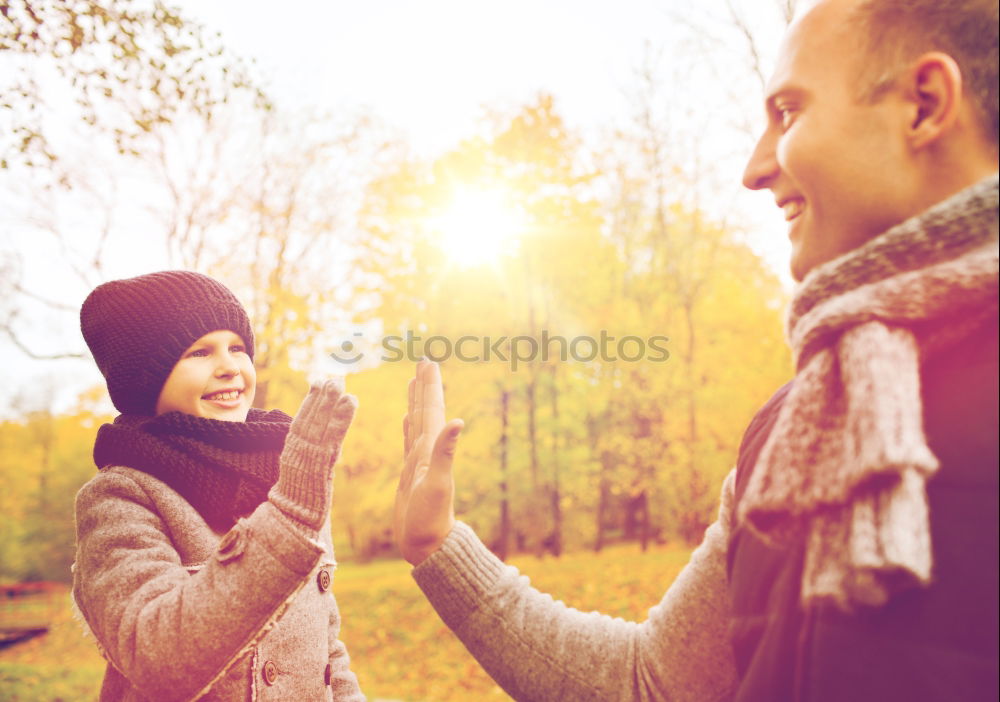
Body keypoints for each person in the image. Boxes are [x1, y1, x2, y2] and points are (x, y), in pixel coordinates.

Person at [393, 0, 999, 700]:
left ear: (924, 104)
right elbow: (653, 682)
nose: (755, 167)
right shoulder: (794, 427)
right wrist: (439, 548)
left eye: (789, 113)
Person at [74, 270, 366, 701]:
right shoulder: (121, 496)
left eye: (237, 348)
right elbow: (157, 657)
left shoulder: (286, 472)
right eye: (199, 352)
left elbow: (325, 646)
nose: (229, 366)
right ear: (144, 380)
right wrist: (287, 524)